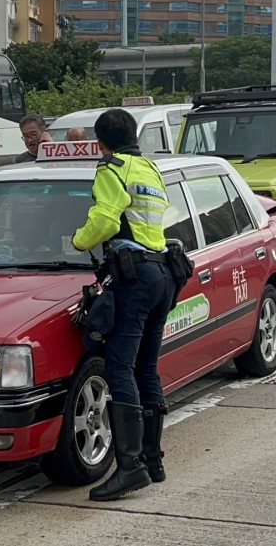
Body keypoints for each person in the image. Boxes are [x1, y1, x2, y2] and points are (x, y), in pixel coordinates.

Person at [72, 109, 175, 502]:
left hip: (134, 279)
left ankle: (129, 468)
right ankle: (152, 460)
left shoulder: (110, 169)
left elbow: (105, 221)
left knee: (119, 366)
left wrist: (79, 241)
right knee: (146, 367)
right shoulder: (149, 167)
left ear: (101, 142)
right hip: (163, 273)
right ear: (134, 134)